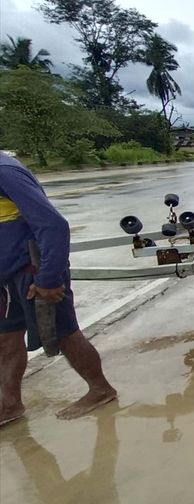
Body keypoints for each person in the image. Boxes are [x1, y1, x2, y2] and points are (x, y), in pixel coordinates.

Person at [0, 153, 117, 427]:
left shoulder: (5, 171)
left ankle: (100, 389)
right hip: (5, 278)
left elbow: (53, 225)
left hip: (32, 270)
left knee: (63, 334)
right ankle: (9, 403)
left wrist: (49, 279)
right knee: (5, 339)